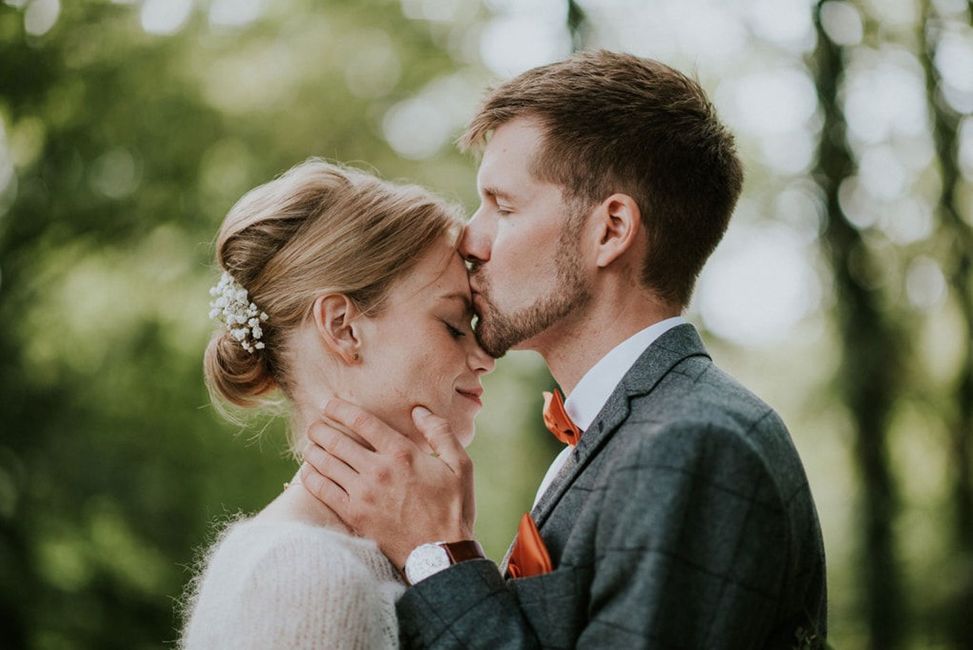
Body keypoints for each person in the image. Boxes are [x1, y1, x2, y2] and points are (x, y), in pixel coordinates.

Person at [300, 50, 828, 648]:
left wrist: (438, 556)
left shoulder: (691, 445)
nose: (470, 237)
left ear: (610, 231)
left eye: (503, 205)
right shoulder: (624, 434)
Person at [179, 159, 495, 650]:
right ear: (344, 328)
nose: (483, 358)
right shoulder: (307, 576)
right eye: (454, 325)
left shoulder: (324, 556)